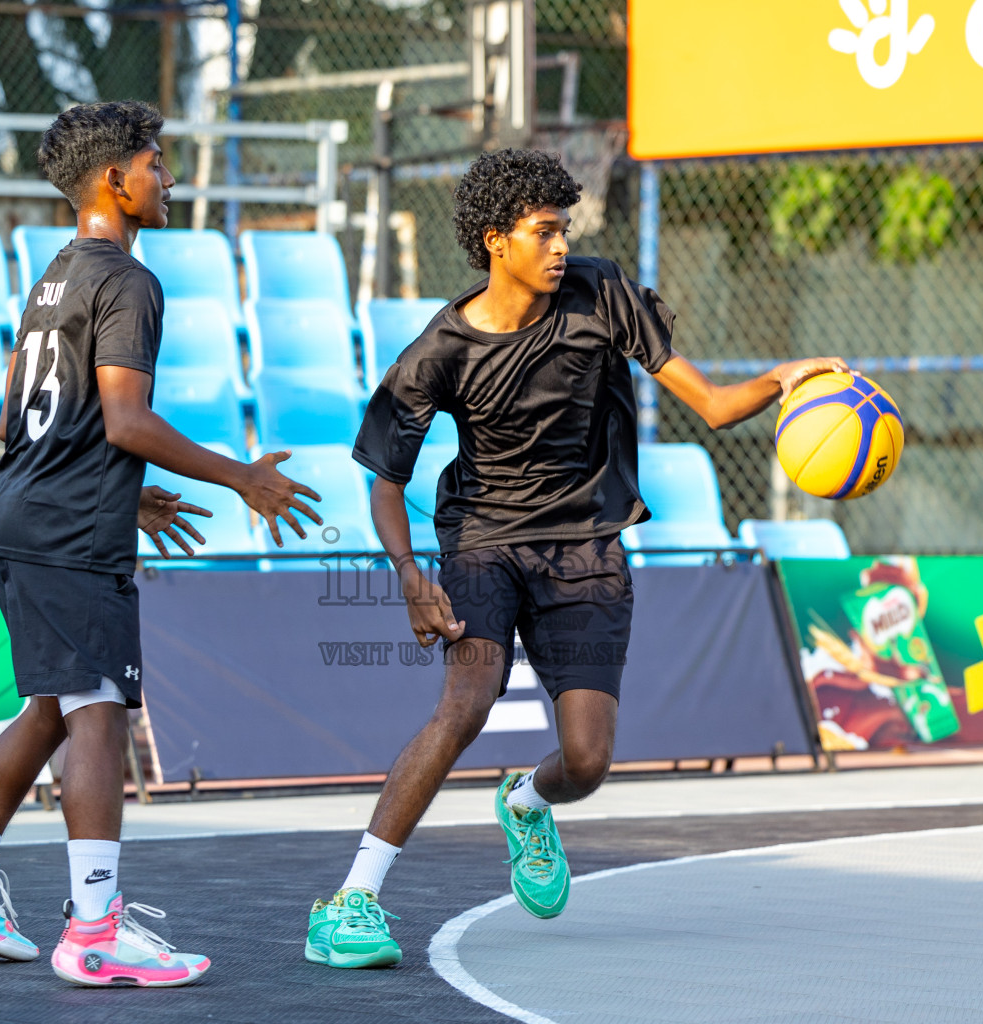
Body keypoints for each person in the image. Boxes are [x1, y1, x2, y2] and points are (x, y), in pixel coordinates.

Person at [304, 148, 848, 968]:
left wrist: (784, 379)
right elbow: (384, 481)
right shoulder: (438, 352)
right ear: (496, 241)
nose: (561, 246)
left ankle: (525, 804)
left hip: (586, 547)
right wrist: (410, 577)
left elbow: (710, 403)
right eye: (544, 231)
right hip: (482, 541)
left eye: (566, 230)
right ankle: (352, 900)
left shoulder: (599, 294)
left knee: (588, 762)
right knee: (467, 702)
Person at [0, 100, 322, 989]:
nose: (169, 179)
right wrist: (240, 475)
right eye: (156, 163)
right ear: (114, 179)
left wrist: (122, 495)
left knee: (56, 703)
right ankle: (94, 930)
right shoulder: (130, 281)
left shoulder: (53, 273)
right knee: (98, 709)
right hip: (66, 527)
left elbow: (28, 398)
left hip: (18, 510)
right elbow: (126, 419)